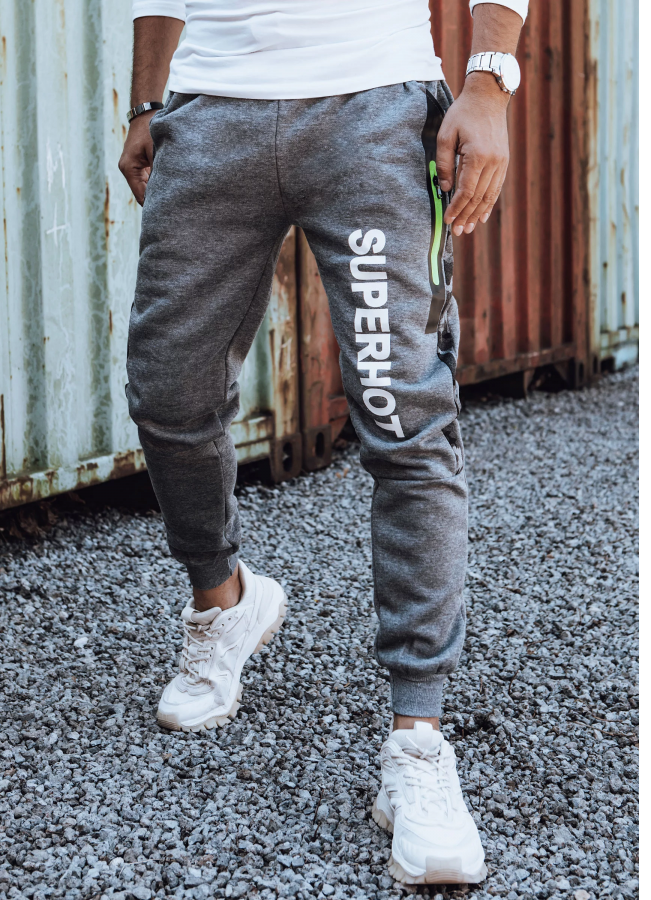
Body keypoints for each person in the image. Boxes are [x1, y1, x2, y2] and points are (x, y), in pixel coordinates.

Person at [119, 0, 526, 885]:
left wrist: (491, 82)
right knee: (167, 391)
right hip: (211, 106)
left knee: (402, 416)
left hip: (371, 104)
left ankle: (417, 742)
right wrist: (147, 99)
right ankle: (224, 603)